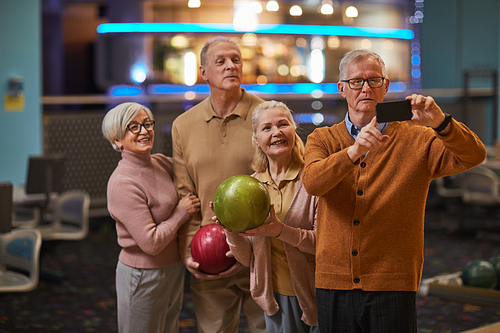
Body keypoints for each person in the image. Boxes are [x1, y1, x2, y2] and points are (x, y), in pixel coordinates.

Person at [302, 49, 487, 332]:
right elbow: (313, 182)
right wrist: (354, 151)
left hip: (393, 280)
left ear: (385, 86)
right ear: (342, 88)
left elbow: (473, 155)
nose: (365, 88)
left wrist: (441, 122)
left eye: (374, 80)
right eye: (356, 82)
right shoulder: (323, 139)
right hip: (334, 280)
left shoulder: (418, 138)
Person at [171, 36, 266, 333]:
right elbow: (185, 194)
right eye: (221, 61)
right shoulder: (183, 125)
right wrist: (188, 251)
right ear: (203, 72)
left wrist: (251, 248)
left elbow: (283, 184)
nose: (230, 66)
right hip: (209, 252)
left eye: (236, 60)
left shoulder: (267, 116)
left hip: (262, 250)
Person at [215, 101, 319, 332]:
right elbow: (248, 258)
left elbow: (325, 245)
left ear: (294, 130)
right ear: (256, 140)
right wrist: (230, 229)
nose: (277, 132)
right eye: (267, 128)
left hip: (318, 294)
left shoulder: (313, 180)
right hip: (275, 298)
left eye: (283, 124)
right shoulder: (250, 188)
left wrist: (280, 231)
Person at [102, 102, 201, 333]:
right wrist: (182, 212)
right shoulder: (122, 183)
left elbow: (194, 170)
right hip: (141, 275)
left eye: (147, 124)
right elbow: (151, 243)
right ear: (117, 139)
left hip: (173, 267)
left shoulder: (159, 162)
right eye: (133, 127)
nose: (144, 131)